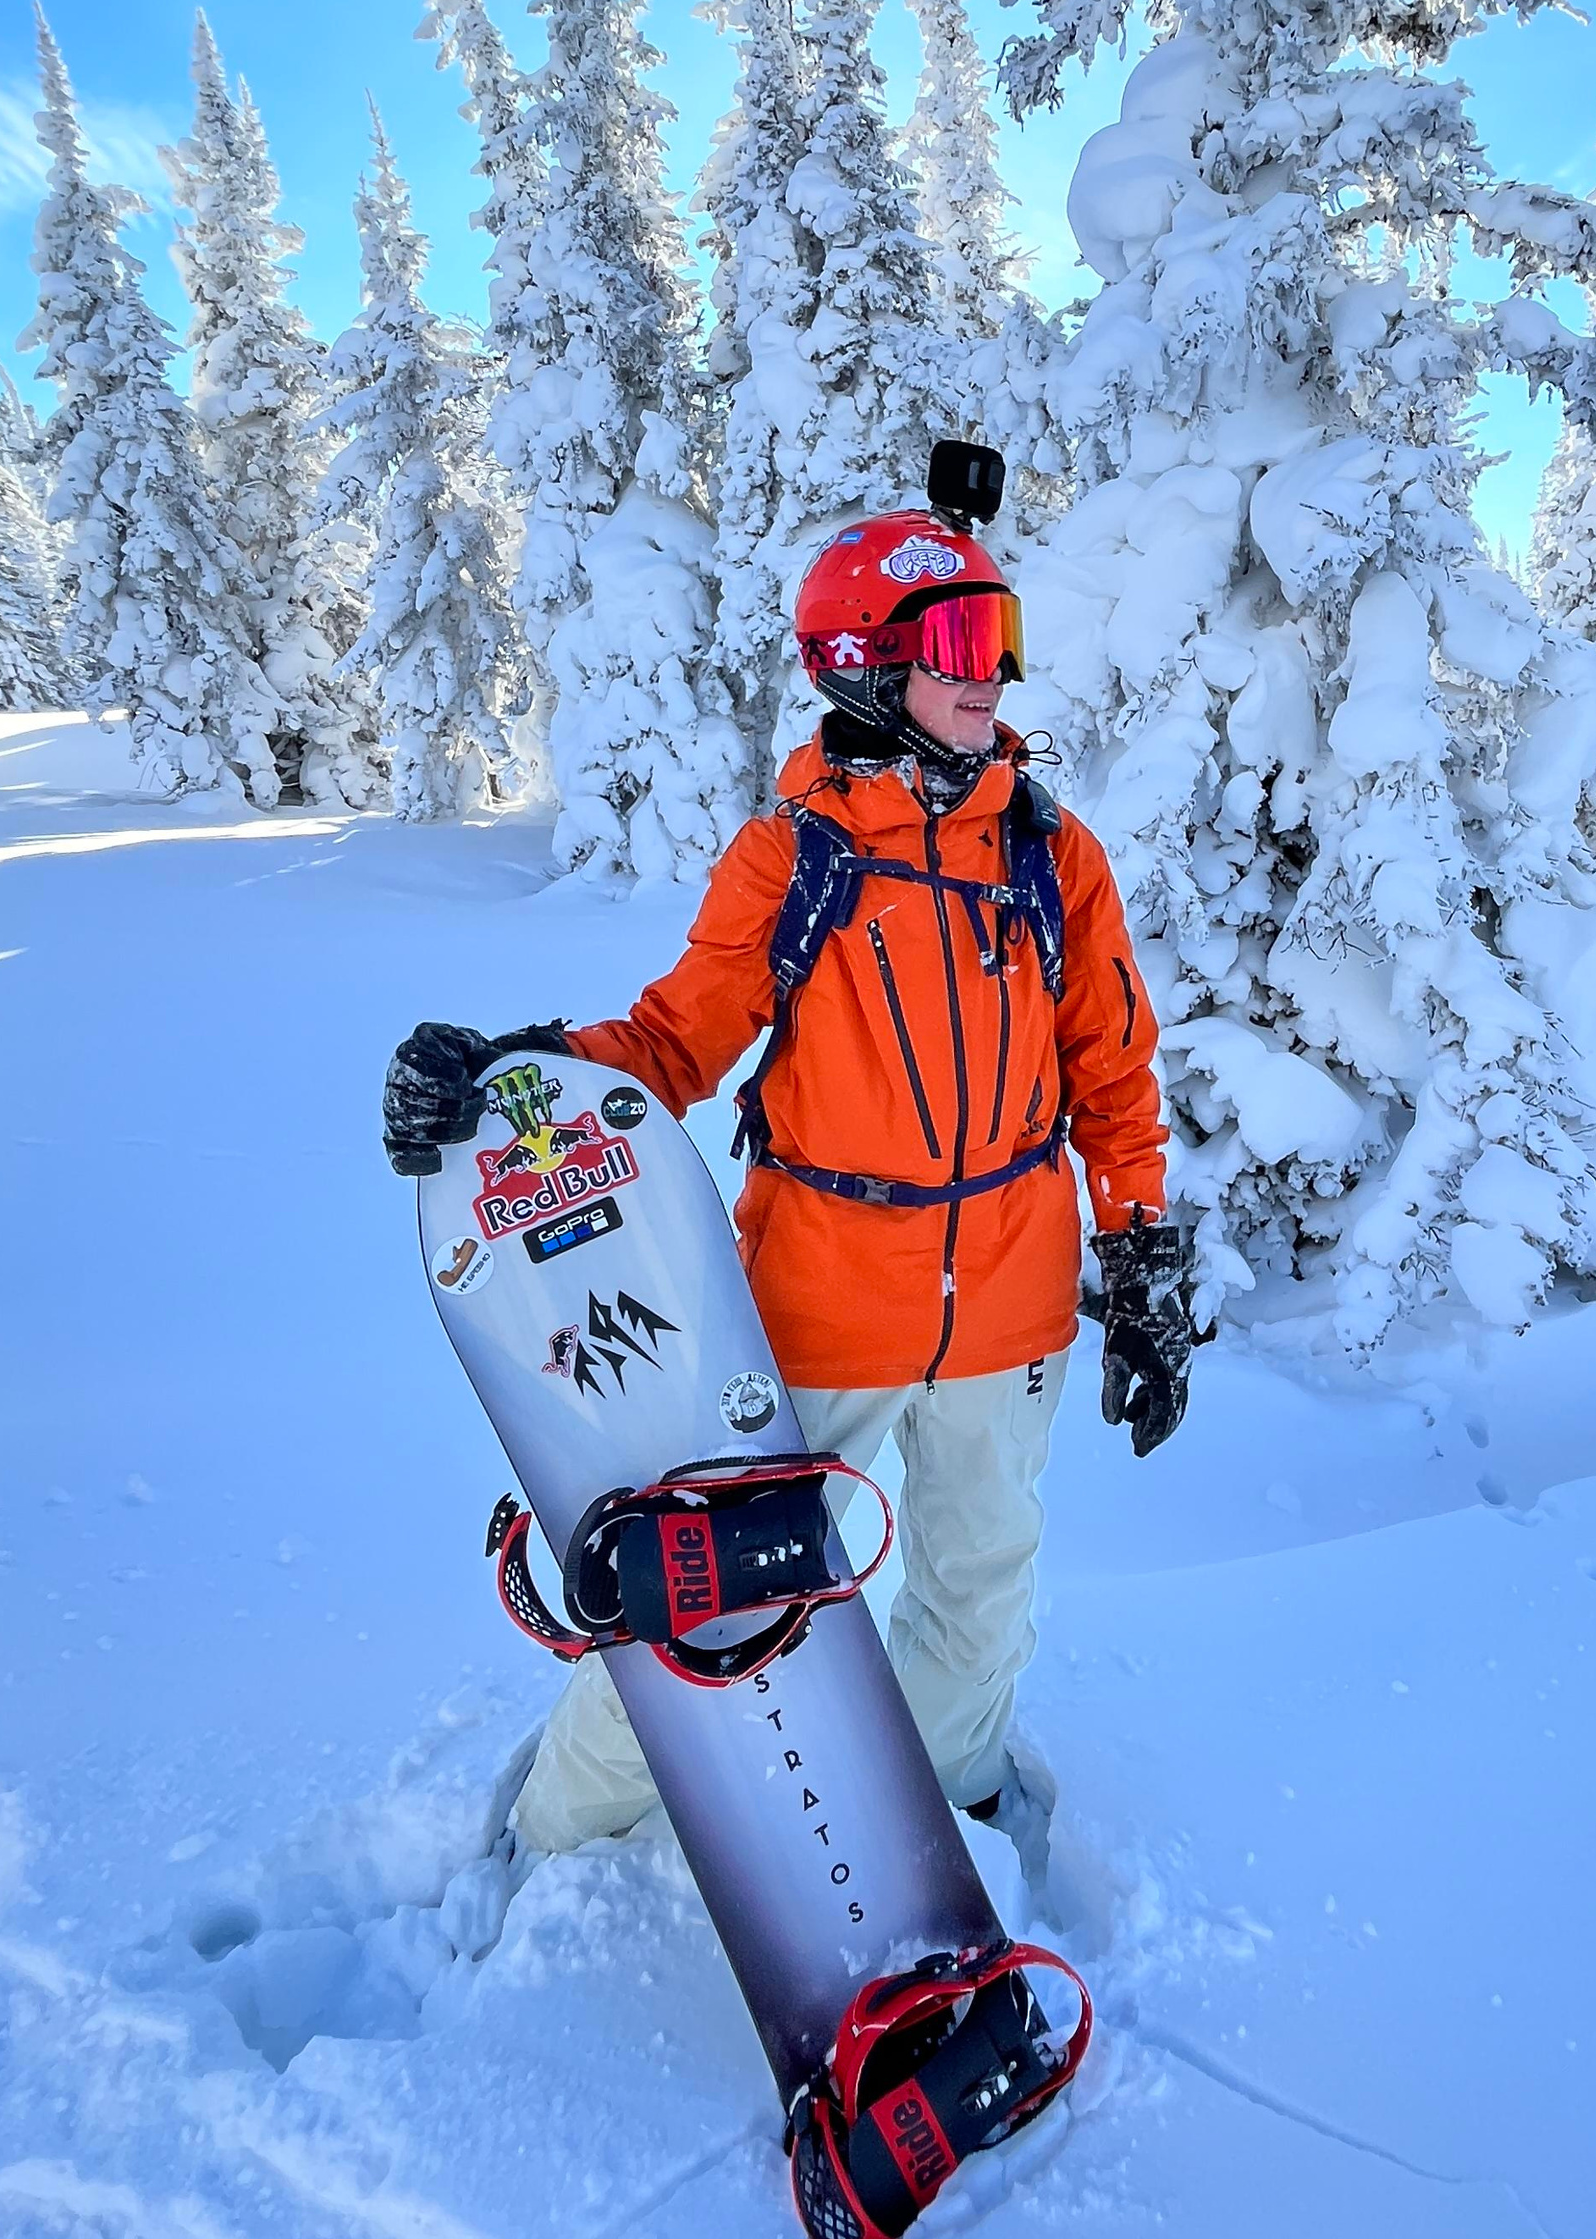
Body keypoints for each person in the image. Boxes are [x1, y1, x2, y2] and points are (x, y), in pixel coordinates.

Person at [382, 497, 1199, 1854]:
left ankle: (939, 1835)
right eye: (952, 639)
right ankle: (559, 1834)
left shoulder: (1055, 856)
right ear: (865, 664)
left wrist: (1144, 1262)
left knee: (981, 1591)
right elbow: (669, 1043)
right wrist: (507, 1079)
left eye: (996, 635)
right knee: (713, 1593)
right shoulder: (796, 855)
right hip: (819, 1304)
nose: (985, 670)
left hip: (1010, 1310)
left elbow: (1114, 1076)